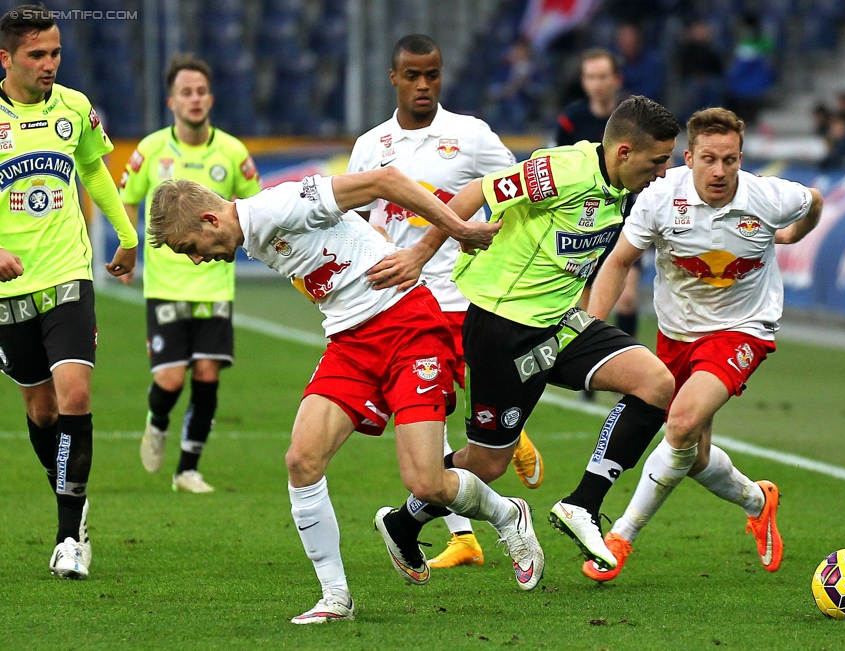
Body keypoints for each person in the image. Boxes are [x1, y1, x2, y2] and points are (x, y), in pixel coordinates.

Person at [146, 170, 544, 622]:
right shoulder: (252, 235)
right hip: (351, 344)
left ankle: (509, 516)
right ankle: (336, 598)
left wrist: (456, 230)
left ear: (209, 221)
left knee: (427, 482)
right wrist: (369, 239)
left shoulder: (280, 205)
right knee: (301, 460)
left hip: (407, 325)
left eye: (190, 249)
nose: (197, 260)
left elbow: (386, 180)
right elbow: (347, 225)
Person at [367, 96, 679, 574]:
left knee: (655, 382)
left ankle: (582, 504)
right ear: (622, 152)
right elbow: (476, 191)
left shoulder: (622, 186)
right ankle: (407, 521)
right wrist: (422, 252)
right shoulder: (563, 170)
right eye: (658, 160)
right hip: (502, 329)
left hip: (557, 324)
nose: (663, 170)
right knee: (489, 463)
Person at [581, 107, 823, 583]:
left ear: (740, 158)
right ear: (687, 158)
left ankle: (620, 538)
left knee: (682, 421)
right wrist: (591, 327)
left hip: (743, 329)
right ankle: (758, 500)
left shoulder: (769, 197)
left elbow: (812, 201)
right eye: (708, 159)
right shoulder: (659, 198)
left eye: (730, 160)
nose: (719, 171)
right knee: (693, 457)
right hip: (676, 333)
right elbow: (618, 262)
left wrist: (795, 233)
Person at [346, 34, 544, 570]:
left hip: (459, 296)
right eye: (412, 75)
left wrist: (494, 248)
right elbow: (358, 224)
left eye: (431, 74)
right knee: (426, 415)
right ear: (394, 78)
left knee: (433, 412)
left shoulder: (471, 135)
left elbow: (515, 189)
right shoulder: (371, 146)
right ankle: (464, 533)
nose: (423, 85)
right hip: (397, 300)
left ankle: (503, 436)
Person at [0, 6, 139, 579]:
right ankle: (75, 506)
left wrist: (128, 235)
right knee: (40, 408)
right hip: (10, 287)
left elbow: (95, 171)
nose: (49, 64)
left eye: (55, 53)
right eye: (37, 55)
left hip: (67, 273)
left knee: (74, 394)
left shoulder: (75, 108)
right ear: (5, 58)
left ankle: (67, 539)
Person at [119, 53, 262, 493]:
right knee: (170, 378)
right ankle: (156, 420)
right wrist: (129, 246)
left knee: (206, 373)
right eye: (186, 92)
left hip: (215, 283)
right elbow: (126, 198)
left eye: (201, 91)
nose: (195, 99)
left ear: (211, 98)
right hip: (164, 284)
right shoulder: (151, 150)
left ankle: (188, 469)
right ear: (172, 101)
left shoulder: (232, 153)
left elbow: (254, 205)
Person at [554, 49, 643, 387]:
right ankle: (591, 373)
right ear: (583, 82)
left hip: (624, 222)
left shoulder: (632, 119)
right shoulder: (571, 120)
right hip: (585, 226)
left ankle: (632, 363)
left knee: (629, 295)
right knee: (588, 306)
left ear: (616, 80)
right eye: (590, 77)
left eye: (603, 76)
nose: (597, 84)